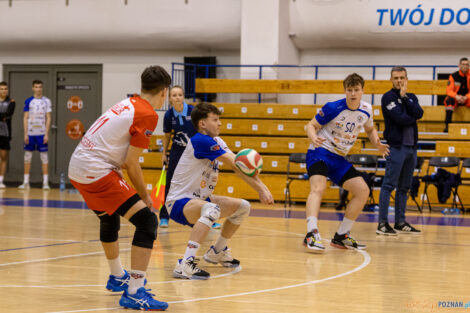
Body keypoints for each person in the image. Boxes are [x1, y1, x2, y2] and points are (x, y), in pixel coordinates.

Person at [68, 66, 171, 311]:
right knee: (147, 221)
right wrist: (146, 197)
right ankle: (135, 291)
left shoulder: (128, 102)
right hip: (96, 169)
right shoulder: (147, 113)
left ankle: (117, 276)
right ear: (164, 92)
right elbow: (130, 163)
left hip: (78, 166)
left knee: (109, 216)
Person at [165, 102, 274, 280]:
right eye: (215, 120)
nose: (219, 123)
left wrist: (262, 188)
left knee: (243, 207)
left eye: (219, 120)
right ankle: (185, 263)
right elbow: (235, 162)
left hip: (200, 200)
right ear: (202, 124)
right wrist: (261, 188)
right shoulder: (201, 140)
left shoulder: (217, 141)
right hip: (178, 202)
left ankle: (217, 251)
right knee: (211, 209)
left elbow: (238, 166)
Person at [304, 73, 389, 251]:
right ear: (345, 91)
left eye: (356, 90)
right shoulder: (333, 107)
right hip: (320, 151)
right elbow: (310, 125)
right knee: (318, 188)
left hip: (339, 158)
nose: (352, 94)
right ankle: (311, 233)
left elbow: (370, 129)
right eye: (349, 90)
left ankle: (342, 235)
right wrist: (313, 137)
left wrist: (378, 144)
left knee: (362, 190)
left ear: (362, 91)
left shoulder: (366, 109)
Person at [159, 86, 221, 229]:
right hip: (177, 151)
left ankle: (209, 216)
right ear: (170, 99)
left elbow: (203, 131)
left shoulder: (193, 111)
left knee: (201, 183)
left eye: (180, 94)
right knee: (170, 183)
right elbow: (167, 135)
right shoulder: (169, 115)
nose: (177, 97)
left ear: (183, 96)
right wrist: (164, 154)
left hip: (195, 151)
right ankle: (164, 216)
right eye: (174, 95)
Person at [377, 67, 423, 235]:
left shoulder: (410, 97)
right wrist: (412, 116)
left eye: (402, 77)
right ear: (391, 79)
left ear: (406, 79)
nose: (399, 81)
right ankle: (382, 223)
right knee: (389, 185)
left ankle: (400, 222)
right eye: (396, 78)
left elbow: (420, 113)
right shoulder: (388, 97)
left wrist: (404, 98)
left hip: (411, 148)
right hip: (396, 147)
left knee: (404, 187)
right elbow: (400, 118)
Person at [19, 80, 51, 190]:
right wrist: (25, 134)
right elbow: (25, 117)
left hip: (42, 133)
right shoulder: (28, 101)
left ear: (42, 88)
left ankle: (45, 183)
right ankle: (26, 182)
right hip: (30, 133)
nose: (38, 89)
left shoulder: (46, 101)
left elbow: (48, 118)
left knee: (44, 157)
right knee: (27, 157)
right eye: (36, 87)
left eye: (40, 87)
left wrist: (46, 134)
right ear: (33, 88)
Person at [443, 57, 470, 133]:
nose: (465, 66)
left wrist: (466, 97)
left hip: (467, 99)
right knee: (449, 100)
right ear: (459, 65)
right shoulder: (453, 76)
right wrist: (457, 96)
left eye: (467, 64)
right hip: (456, 99)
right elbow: (449, 91)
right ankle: (448, 127)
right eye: (463, 64)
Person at [0, 82, 16, 188]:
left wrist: (4, 116)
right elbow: (3, 116)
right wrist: (2, 116)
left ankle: (1, 180)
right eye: (1, 89)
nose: (3, 90)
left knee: (3, 157)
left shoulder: (11, 102)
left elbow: (8, 114)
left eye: (5, 88)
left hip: (5, 133)